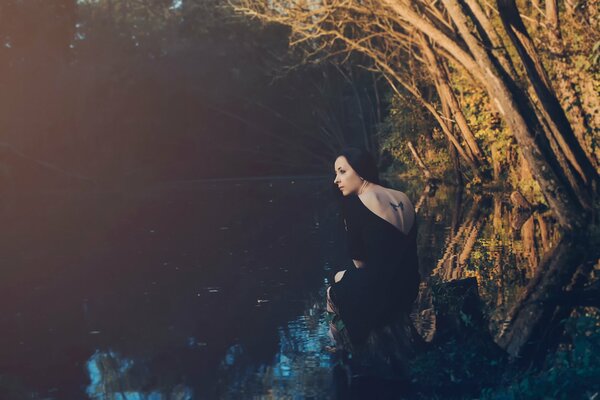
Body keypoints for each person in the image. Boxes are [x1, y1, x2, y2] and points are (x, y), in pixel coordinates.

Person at [327, 147, 421, 351]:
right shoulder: (402, 196)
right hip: (410, 289)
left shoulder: (356, 205)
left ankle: (340, 342)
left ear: (360, 170)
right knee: (346, 279)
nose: (336, 180)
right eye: (336, 173)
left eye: (342, 171)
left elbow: (360, 263)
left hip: (386, 297)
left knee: (336, 281)